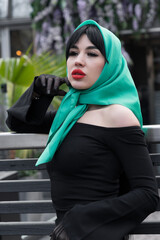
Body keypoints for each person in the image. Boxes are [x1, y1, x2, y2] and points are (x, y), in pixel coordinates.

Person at [6, 20, 159, 240]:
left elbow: (147, 195)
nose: (79, 61)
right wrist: (39, 94)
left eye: (92, 54)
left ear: (110, 64)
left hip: (90, 232)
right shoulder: (72, 113)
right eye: (73, 52)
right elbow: (18, 124)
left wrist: (78, 222)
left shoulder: (117, 115)